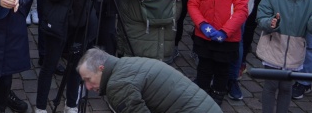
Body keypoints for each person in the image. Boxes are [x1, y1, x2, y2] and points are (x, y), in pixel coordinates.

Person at [187, 0, 249, 105]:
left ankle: (218, 93)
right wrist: (202, 25)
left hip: (226, 38)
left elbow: (241, 12)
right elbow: (193, 4)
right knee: (204, 65)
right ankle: (201, 91)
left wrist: (225, 31)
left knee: (222, 68)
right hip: (204, 34)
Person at [77, 47, 221, 112]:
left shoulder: (117, 86)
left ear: (101, 68)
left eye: (88, 79)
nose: (88, 87)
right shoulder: (126, 63)